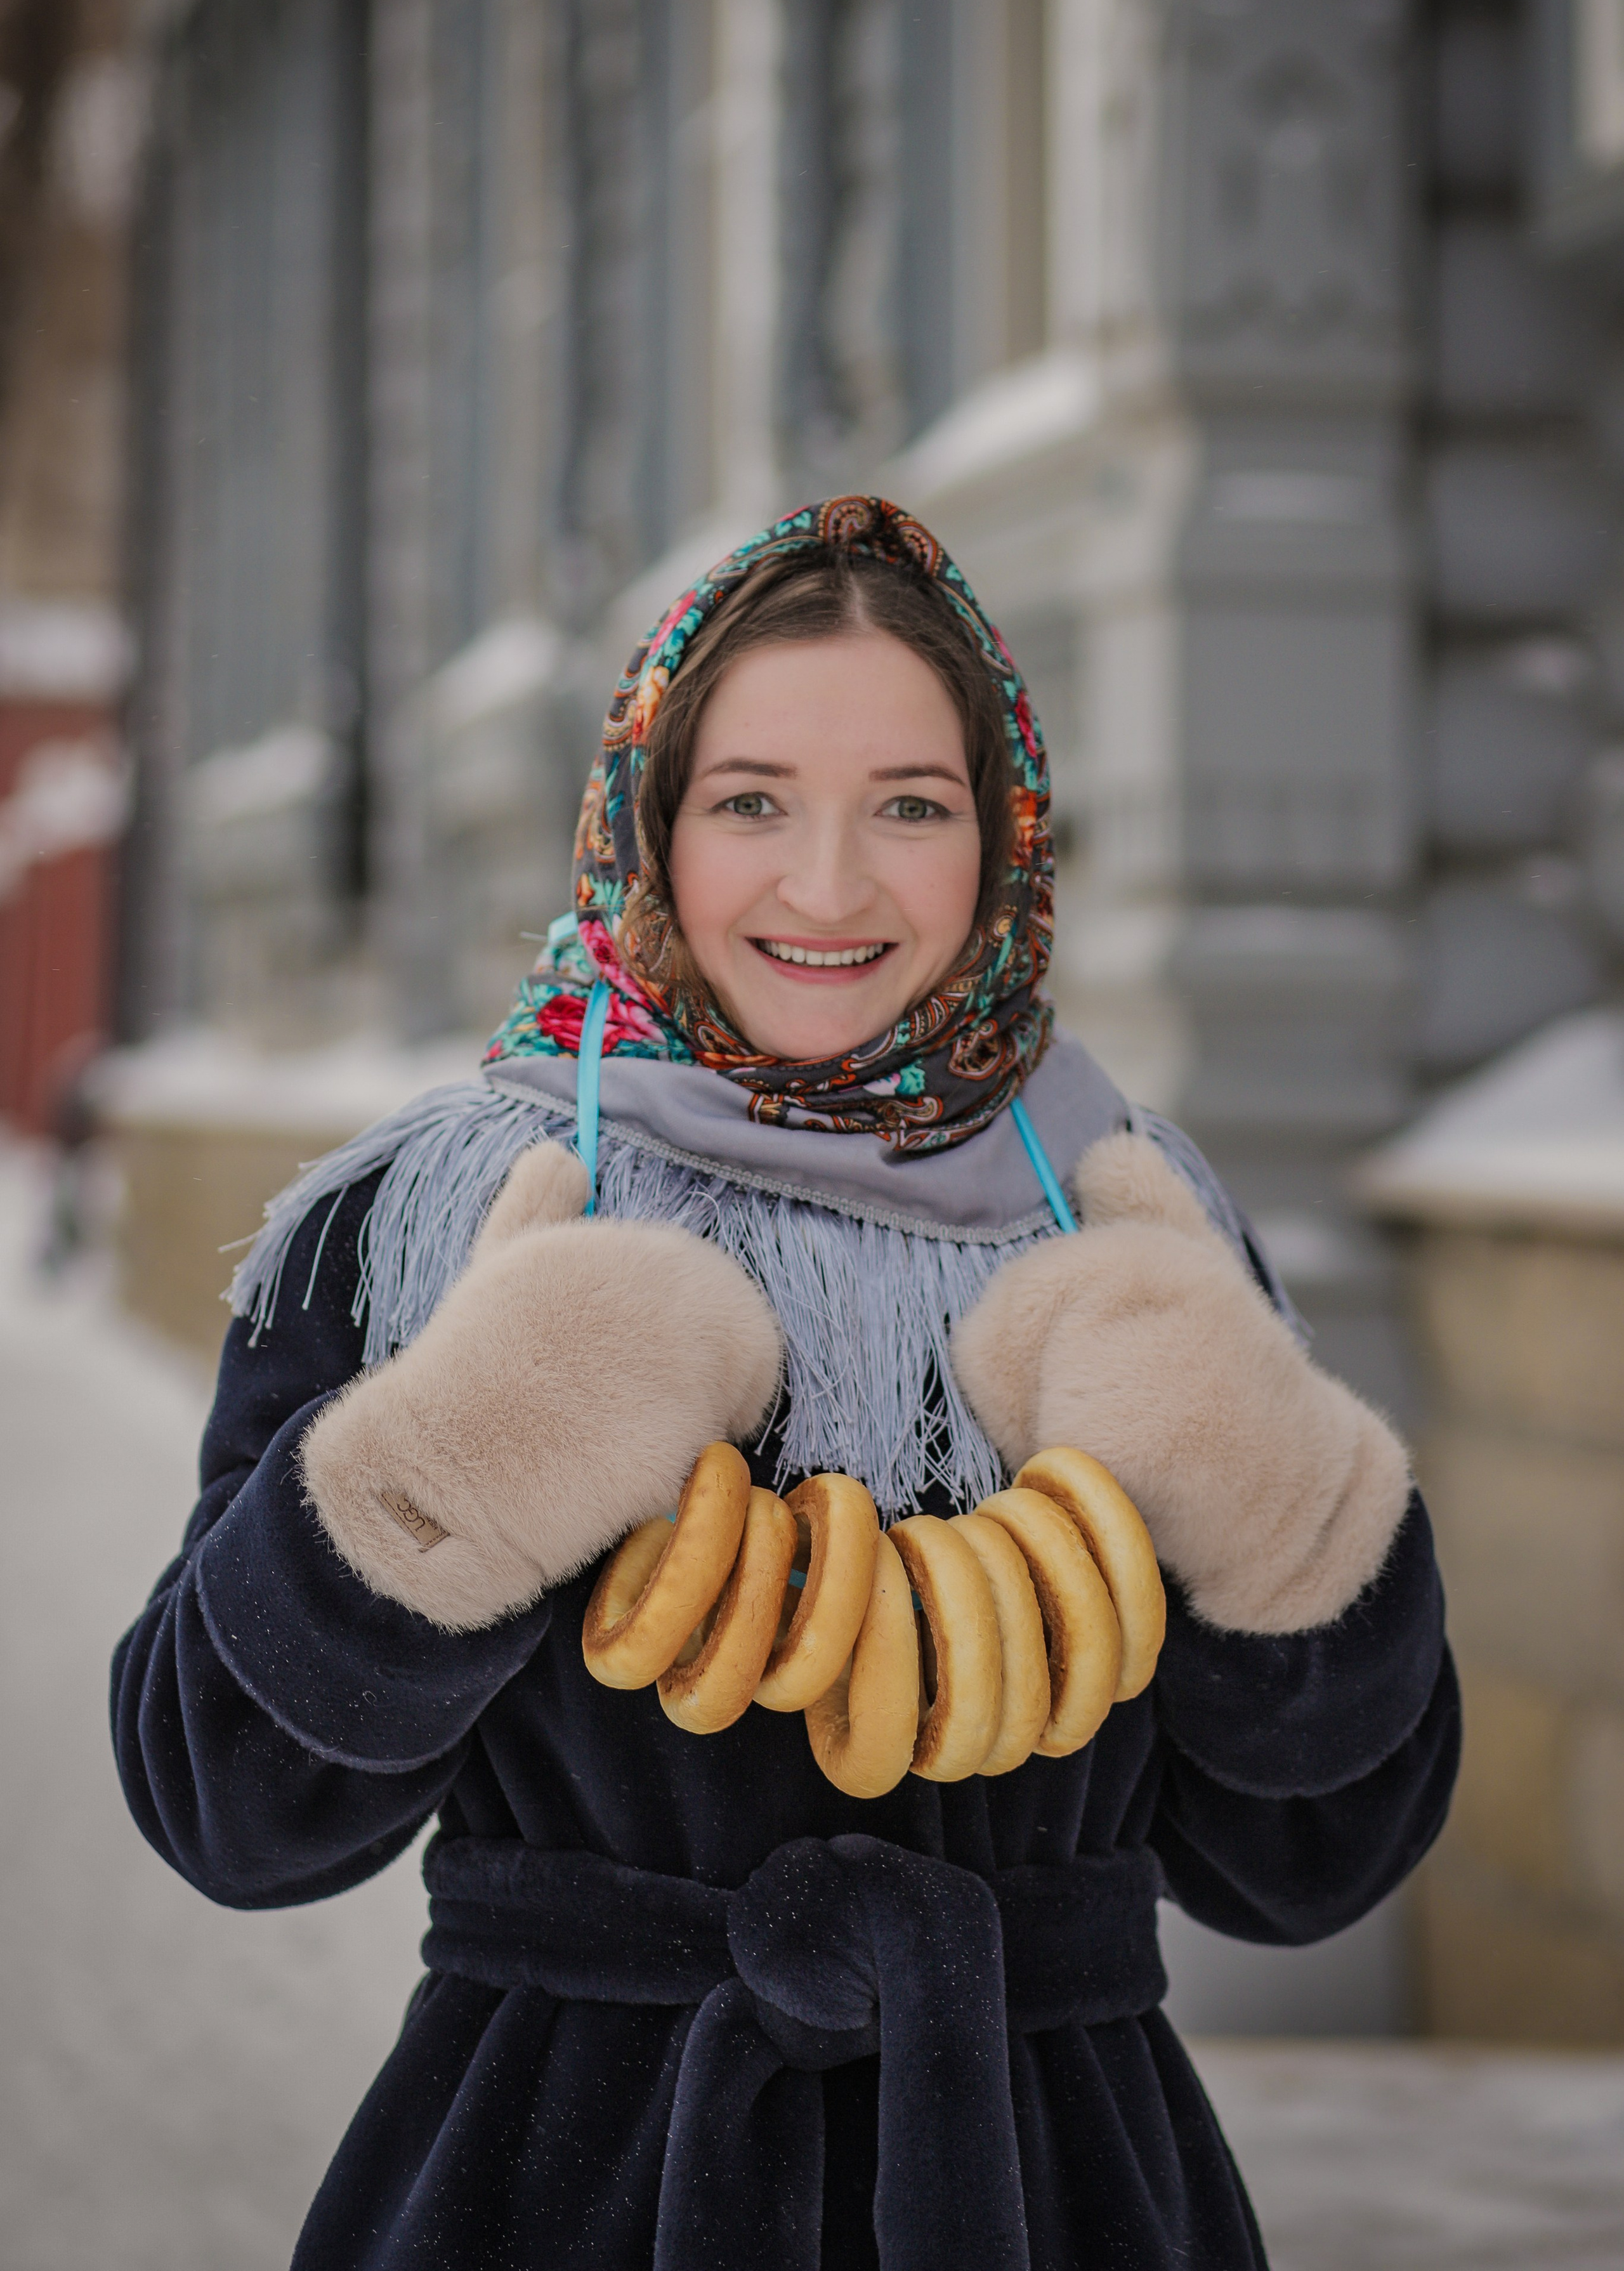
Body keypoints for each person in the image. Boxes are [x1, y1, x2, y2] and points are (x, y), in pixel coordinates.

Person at [112, 497, 1458, 2271]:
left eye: (912, 804)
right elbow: (227, 1807)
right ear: (649, 824)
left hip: (1059, 2186)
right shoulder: (440, 1215)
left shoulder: (1128, 1218)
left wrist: (1265, 1487)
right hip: (552, 2180)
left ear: (1005, 839)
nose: (829, 888)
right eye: (753, 801)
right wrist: (464, 1449)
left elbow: (1318, 1860)